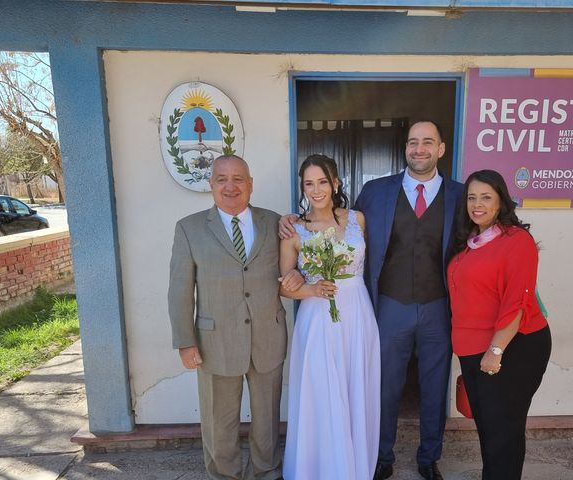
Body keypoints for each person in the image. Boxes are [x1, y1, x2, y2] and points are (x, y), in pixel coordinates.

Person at [280, 121, 463, 480]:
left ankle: (429, 458)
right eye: (413, 142)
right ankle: (381, 457)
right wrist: (291, 220)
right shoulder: (375, 193)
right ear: (405, 148)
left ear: (441, 148)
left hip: (438, 306)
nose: (420, 148)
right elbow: (330, 225)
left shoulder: (460, 194)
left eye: (428, 142)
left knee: (434, 384)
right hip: (388, 306)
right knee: (383, 385)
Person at [168, 155, 301, 480]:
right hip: (216, 343)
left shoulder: (275, 223)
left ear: (251, 184)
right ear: (211, 185)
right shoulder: (189, 228)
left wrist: (296, 270)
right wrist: (186, 342)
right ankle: (224, 475)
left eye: (239, 178)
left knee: (267, 419)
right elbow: (180, 291)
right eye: (222, 179)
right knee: (219, 421)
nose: (231, 186)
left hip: (268, 338)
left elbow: (292, 264)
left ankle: (266, 472)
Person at [279, 154, 381, 480]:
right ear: (303, 188)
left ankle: (354, 467)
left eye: (322, 181)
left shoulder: (358, 220)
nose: (316, 189)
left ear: (335, 183)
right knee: (321, 393)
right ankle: (319, 469)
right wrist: (310, 290)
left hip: (357, 315)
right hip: (317, 319)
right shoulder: (294, 230)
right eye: (309, 183)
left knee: (355, 389)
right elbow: (285, 285)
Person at [447, 169, 551, 480]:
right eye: (472, 197)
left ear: (501, 201)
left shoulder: (516, 241)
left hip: (511, 347)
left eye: (486, 197)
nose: (477, 204)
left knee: (503, 430)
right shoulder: (471, 242)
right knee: (490, 429)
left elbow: (516, 301)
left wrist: (496, 350)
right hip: (474, 349)